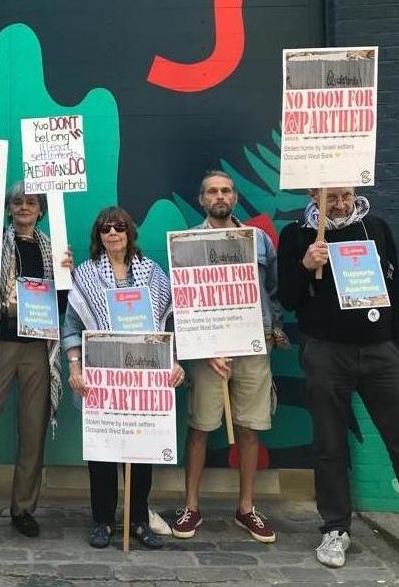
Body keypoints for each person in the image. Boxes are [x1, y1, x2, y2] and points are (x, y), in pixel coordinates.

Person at [278, 187, 399, 568]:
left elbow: (394, 286)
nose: (343, 204)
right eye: (334, 198)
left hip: (380, 350)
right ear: (316, 194)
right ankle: (336, 527)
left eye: (347, 196)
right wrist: (304, 264)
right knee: (329, 444)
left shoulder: (375, 228)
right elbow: (289, 298)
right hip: (326, 352)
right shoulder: (297, 234)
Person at [171, 171, 285, 544]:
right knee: (200, 428)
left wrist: (269, 332)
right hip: (209, 353)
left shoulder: (260, 242)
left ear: (234, 197)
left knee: (250, 428)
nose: (219, 196)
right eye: (212, 192)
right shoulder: (188, 243)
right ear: (201, 200)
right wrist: (204, 348)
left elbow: (272, 291)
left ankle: (246, 508)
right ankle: (191, 506)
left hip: (252, 347)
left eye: (226, 190)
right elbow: (183, 301)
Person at [63, 206, 182, 549]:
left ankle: (139, 520)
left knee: (140, 453)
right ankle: (102, 520)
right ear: (98, 236)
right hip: (100, 379)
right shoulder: (84, 275)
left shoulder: (154, 274)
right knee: (102, 452)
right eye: (105, 228)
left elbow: (169, 324)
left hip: (142, 380)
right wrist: (74, 366)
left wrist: (174, 361)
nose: (112, 232)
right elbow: (72, 325)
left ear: (130, 232)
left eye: (119, 227)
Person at [0, 180, 69, 541]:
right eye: (17, 202)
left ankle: (23, 508)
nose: (23, 207)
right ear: (8, 209)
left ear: (41, 211)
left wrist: (66, 274)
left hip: (38, 348)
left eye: (31, 202)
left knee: (33, 430)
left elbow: (63, 306)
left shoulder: (53, 251)